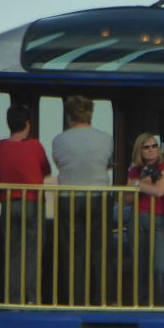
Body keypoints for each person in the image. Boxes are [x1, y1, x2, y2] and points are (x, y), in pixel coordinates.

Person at [52, 95, 114, 306]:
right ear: (91, 115)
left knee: (72, 252)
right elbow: (107, 164)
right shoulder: (106, 138)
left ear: (70, 116)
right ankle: (101, 300)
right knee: (100, 250)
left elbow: (60, 164)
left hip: (69, 199)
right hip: (98, 198)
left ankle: (74, 299)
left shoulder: (59, 140)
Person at [0, 103, 51, 304]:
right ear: (28, 124)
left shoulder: (0, 146)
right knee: (33, 253)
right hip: (33, 203)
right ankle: (31, 298)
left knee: (13, 253)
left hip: (9, 204)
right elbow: (46, 169)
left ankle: (13, 297)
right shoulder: (35, 146)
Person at [127, 133, 164, 306]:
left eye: (154, 146)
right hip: (137, 217)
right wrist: (143, 183)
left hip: (158, 217)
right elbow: (127, 197)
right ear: (139, 150)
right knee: (140, 266)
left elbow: (160, 191)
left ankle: (161, 305)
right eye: (146, 147)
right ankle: (141, 304)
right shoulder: (135, 170)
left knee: (159, 267)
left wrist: (139, 185)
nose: (151, 150)